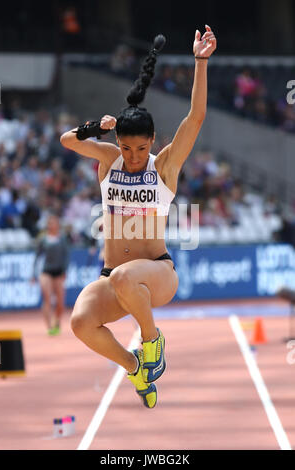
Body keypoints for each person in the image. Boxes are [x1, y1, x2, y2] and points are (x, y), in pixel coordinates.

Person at [60, 26, 217, 408]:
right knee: (80, 323)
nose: (132, 156)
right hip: (113, 279)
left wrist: (200, 62)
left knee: (125, 275)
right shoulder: (109, 160)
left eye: (141, 148)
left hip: (157, 275)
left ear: (152, 142)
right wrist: (95, 127)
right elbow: (67, 140)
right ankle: (134, 368)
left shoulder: (163, 167)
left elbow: (195, 118)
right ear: (117, 144)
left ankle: (152, 341)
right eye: (126, 148)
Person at [32, 214, 70, 335]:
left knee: (60, 302)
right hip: (46, 272)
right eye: (50, 223)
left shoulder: (62, 239)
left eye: (54, 223)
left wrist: (64, 270)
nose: (52, 225)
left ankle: (56, 320)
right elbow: (37, 257)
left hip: (58, 272)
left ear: (57, 225)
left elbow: (66, 256)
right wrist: (33, 274)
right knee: (47, 298)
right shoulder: (43, 239)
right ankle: (49, 327)